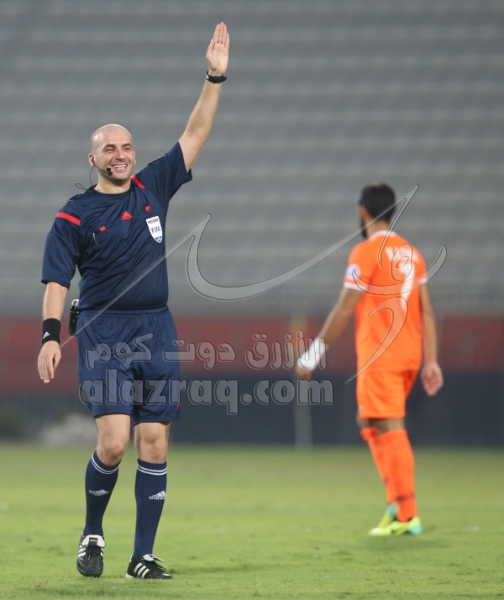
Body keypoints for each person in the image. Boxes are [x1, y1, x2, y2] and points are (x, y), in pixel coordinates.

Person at [37, 23, 230, 579]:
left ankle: (141, 556)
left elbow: (195, 133)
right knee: (116, 442)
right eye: (110, 149)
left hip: (156, 330)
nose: (120, 155)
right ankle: (92, 533)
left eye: (126, 147)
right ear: (93, 158)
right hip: (103, 332)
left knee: (155, 444)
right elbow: (56, 283)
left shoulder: (152, 187)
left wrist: (214, 77)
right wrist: (50, 336)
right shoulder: (73, 215)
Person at [296, 183, 443, 536]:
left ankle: (406, 514)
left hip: (382, 354)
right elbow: (426, 311)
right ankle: (397, 505)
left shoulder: (365, 252)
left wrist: (313, 354)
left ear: (362, 211)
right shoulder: (411, 253)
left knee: (390, 425)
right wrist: (432, 360)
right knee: (368, 420)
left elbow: (345, 307)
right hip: (409, 354)